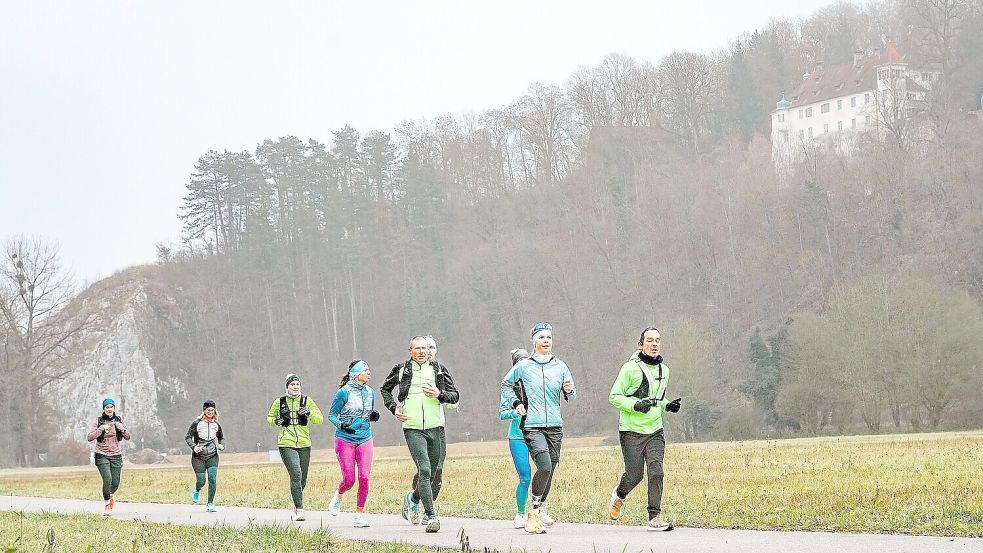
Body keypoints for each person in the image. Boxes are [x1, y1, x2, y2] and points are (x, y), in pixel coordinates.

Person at [500, 322, 577, 534]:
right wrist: (516, 403)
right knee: (544, 465)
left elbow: (572, 395)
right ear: (534, 342)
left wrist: (569, 391)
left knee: (550, 468)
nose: (546, 341)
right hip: (532, 426)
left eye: (549, 338)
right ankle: (533, 510)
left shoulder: (560, 366)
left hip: (555, 425)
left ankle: (538, 507)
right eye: (541, 338)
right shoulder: (524, 366)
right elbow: (506, 384)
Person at [380, 335, 460, 533]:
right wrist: (394, 407)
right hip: (412, 427)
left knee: (433, 472)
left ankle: (413, 498)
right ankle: (432, 517)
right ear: (410, 351)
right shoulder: (402, 370)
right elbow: (385, 389)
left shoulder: (439, 369)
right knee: (424, 469)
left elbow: (454, 396)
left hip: (435, 426)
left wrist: (439, 394)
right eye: (417, 349)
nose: (422, 352)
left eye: (425, 348)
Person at [607, 327, 681, 531]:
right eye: (649, 340)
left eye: (657, 340)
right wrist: (635, 405)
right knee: (635, 475)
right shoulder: (629, 368)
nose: (654, 344)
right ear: (640, 344)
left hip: (655, 429)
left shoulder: (664, 370)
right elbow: (614, 397)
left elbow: (656, 398)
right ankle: (619, 494)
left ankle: (654, 517)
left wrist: (667, 405)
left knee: (656, 471)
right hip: (631, 431)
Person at [327, 360, 380, 528]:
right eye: (365, 370)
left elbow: (368, 413)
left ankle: (359, 515)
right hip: (345, 439)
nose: (369, 373)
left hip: (365, 438)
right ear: (356, 374)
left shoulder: (370, 392)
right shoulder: (343, 393)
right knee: (349, 480)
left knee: (364, 478)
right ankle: (338, 495)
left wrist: (372, 416)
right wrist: (342, 425)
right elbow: (331, 415)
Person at [266, 373, 324, 521]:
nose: (295, 387)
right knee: (296, 474)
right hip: (286, 443)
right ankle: (299, 510)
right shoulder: (279, 402)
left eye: (298, 384)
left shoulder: (307, 401)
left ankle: (294, 496)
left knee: (302, 479)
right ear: (287, 387)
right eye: (292, 384)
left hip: (304, 443)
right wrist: (276, 421)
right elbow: (269, 418)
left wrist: (309, 413)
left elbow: (319, 419)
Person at [500, 348, 532, 528]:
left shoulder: (537, 383)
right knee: (525, 477)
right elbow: (502, 413)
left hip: (538, 433)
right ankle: (520, 514)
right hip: (518, 436)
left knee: (544, 472)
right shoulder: (509, 388)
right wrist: (515, 412)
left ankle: (539, 510)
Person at [85, 398, 131, 516]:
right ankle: (107, 505)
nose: (109, 409)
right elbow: (90, 437)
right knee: (107, 480)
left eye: (111, 407)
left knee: (115, 483)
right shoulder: (98, 421)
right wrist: (101, 429)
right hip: (101, 455)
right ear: (104, 409)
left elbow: (128, 437)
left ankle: (110, 495)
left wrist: (122, 429)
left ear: (114, 408)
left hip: (116, 455)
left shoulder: (118, 420)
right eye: (107, 407)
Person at [185, 399, 225, 513]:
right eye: (208, 410)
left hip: (212, 455)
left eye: (212, 410)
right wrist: (194, 447)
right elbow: (188, 437)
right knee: (201, 481)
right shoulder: (197, 423)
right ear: (204, 410)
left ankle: (210, 504)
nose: (210, 412)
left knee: (212, 478)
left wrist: (221, 445)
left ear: (215, 411)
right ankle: (197, 489)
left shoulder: (216, 425)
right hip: (198, 457)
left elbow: (221, 438)